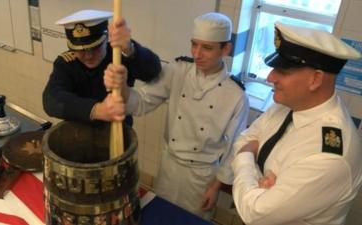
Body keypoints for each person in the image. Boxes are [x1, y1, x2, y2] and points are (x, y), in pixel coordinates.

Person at [104, 12, 249, 219]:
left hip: (202, 177)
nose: (197, 54)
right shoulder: (178, 71)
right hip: (169, 168)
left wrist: (216, 187)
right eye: (194, 44)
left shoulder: (236, 95)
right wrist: (124, 88)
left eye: (207, 48)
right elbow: (142, 102)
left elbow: (234, 148)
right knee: (161, 216)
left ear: (225, 49)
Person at [231, 22, 362, 225]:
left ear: (316, 79)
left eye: (282, 71)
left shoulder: (329, 155)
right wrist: (259, 187)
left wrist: (246, 158)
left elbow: (254, 212)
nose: (270, 77)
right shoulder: (289, 104)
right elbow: (245, 139)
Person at [42, 9, 161, 124]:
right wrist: (97, 110)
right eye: (80, 50)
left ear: (107, 38)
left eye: (95, 47)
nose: (88, 56)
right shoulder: (66, 64)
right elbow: (51, 100)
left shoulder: (119, 54)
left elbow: (153, 72)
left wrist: (131, 48)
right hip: (79, 134)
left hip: (119, 131)